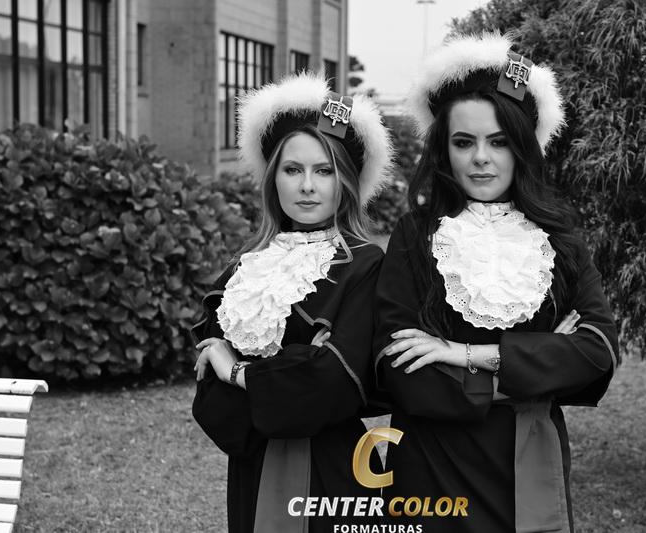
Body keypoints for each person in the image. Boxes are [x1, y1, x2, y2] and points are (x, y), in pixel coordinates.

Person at [372, 33, 619, 533]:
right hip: (432, 469)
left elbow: (597, 352)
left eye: (499, 141)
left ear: (522, 147)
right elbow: (399, 368)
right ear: (444, 150)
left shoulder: (560, 238)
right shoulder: (415, 235)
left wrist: (463, 353)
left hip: (530, 463)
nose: (481, 158)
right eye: (464, 142)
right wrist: (539, 366)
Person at [191, 72, 393, 533]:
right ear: (273, 179)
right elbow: (210, 399)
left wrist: (237, 370)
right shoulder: (246, 265)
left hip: (335, 471)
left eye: (324, 171)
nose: (307, 186)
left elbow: (331, 384)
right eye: (292, 170)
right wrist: (298, 362)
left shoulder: (365, 264)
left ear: (346, 181)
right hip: (252, 466)